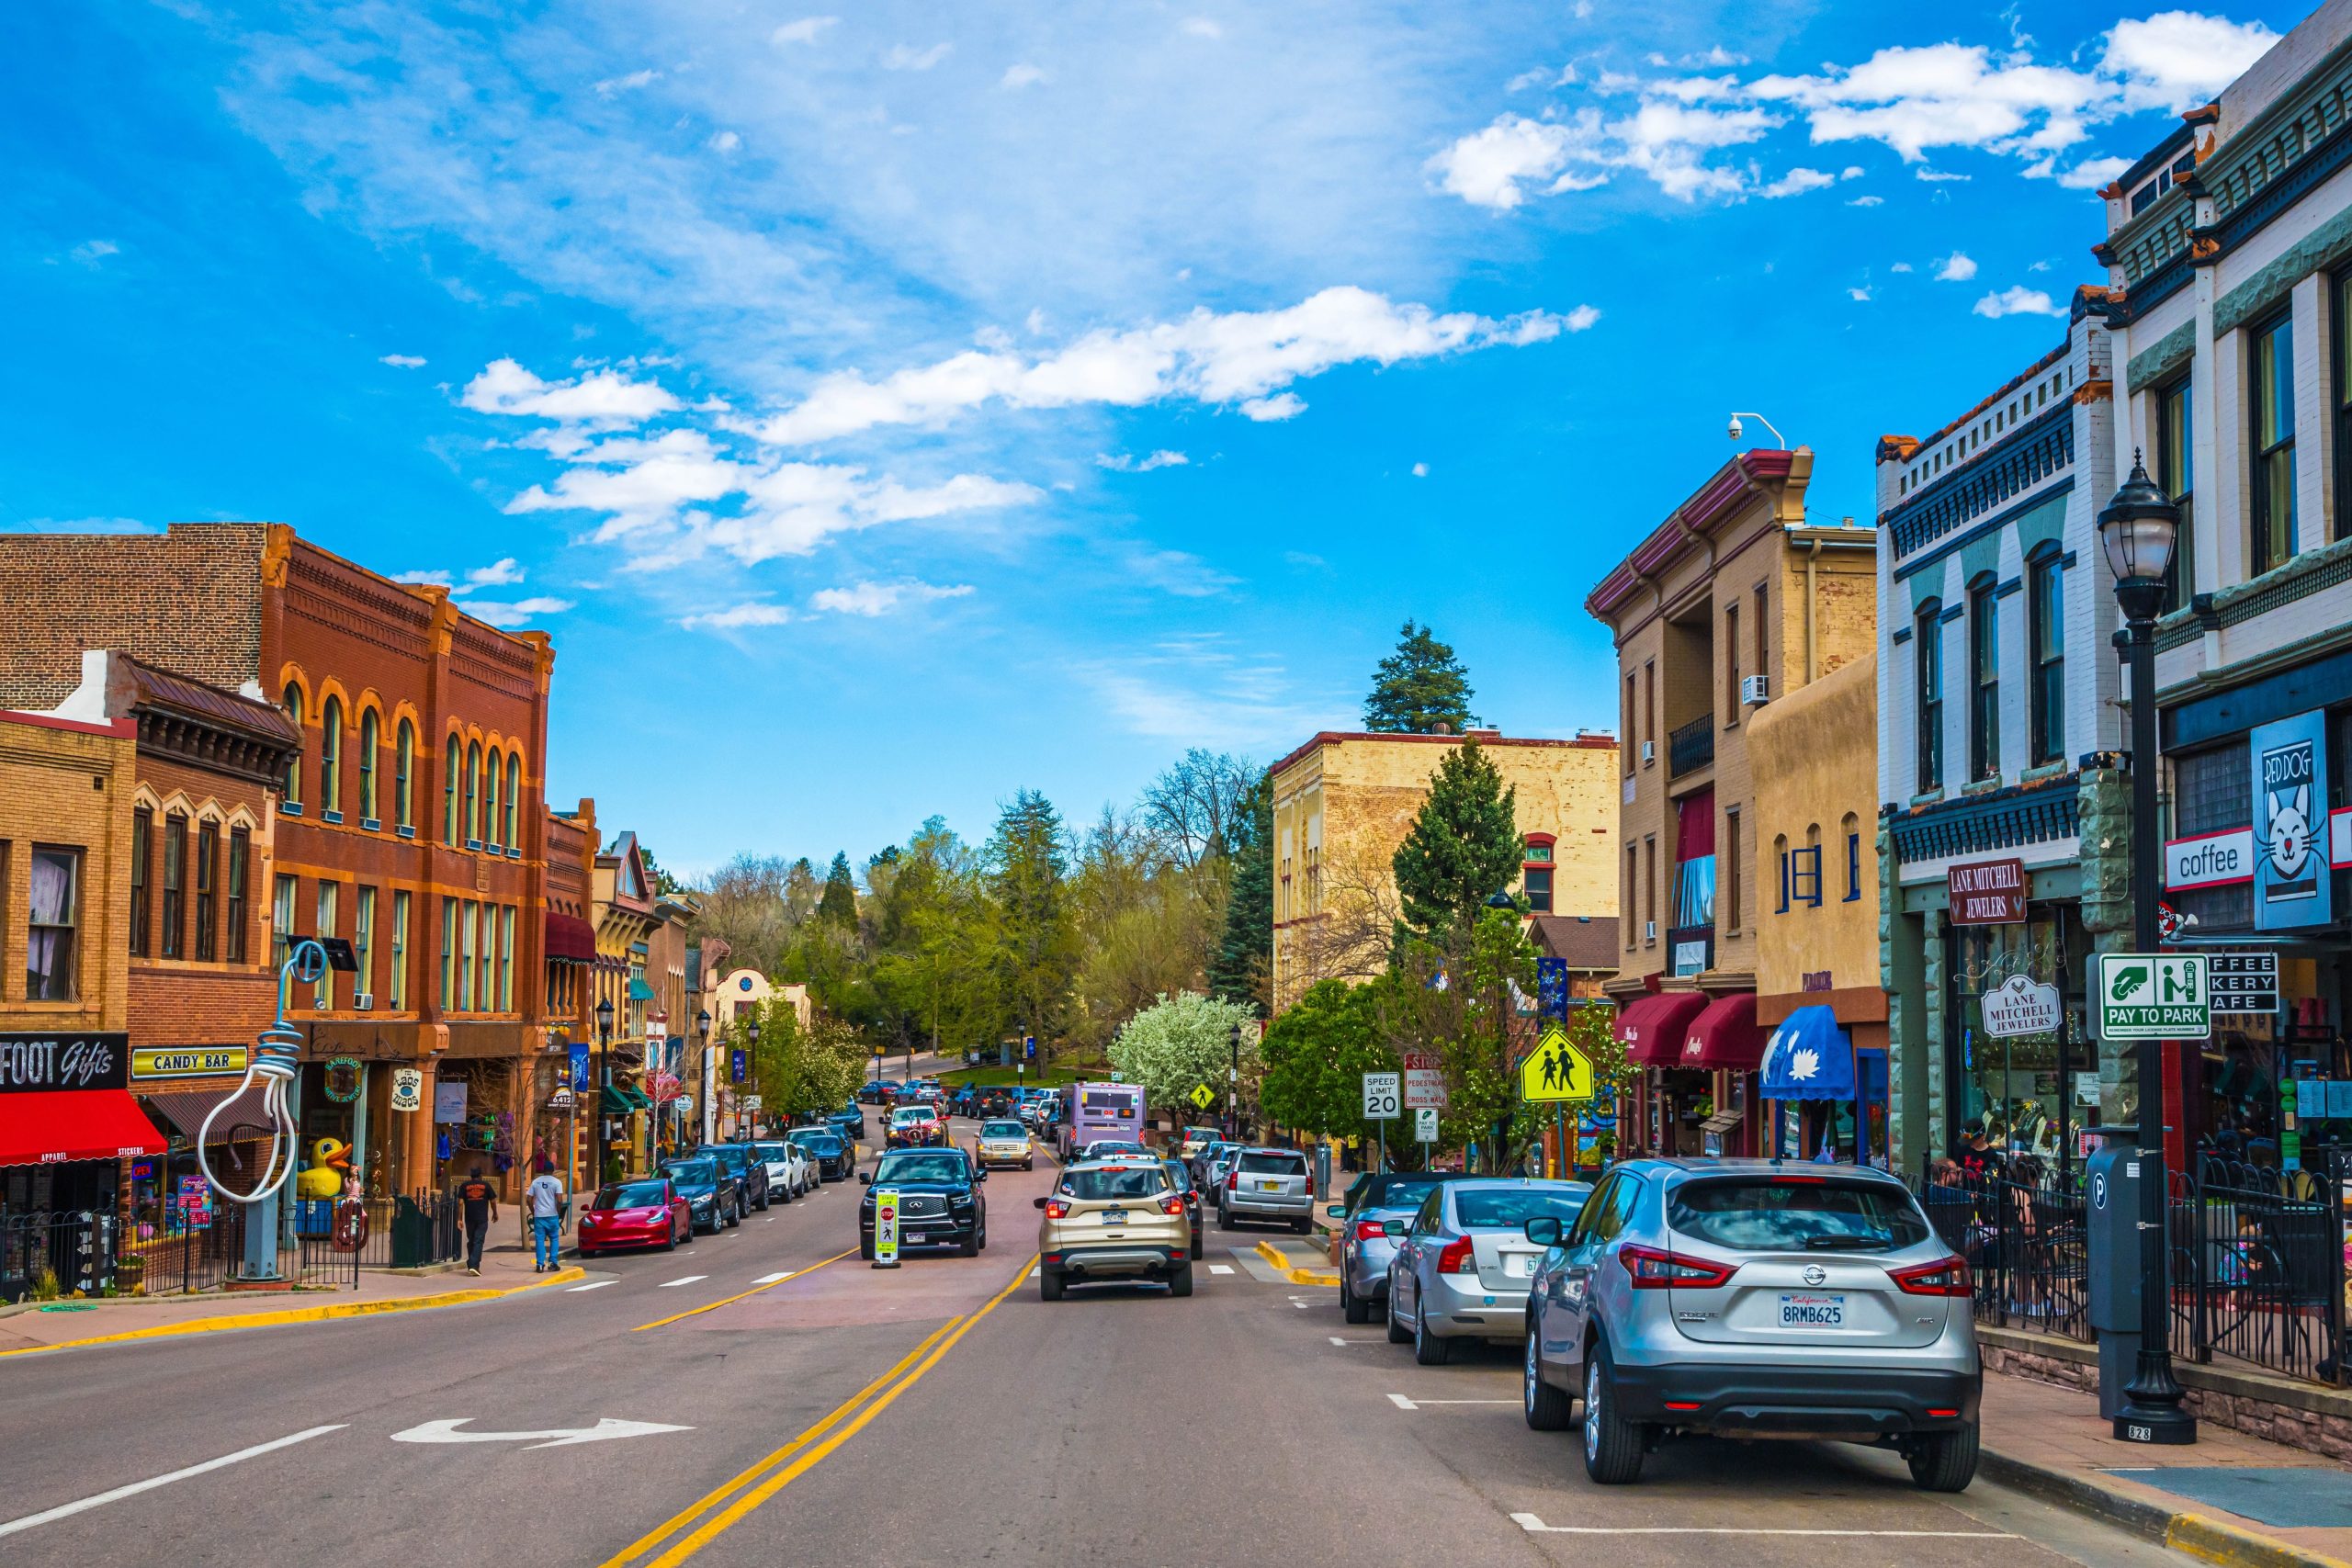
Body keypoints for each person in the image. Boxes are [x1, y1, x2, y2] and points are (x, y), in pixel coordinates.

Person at [456, 1168, 499, 1275]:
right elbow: (493, 1201)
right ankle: (474, 1265)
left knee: (472, 1240)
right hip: (482, 1218)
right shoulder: (486, 1185)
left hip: (469, 1218)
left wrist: (459, 1219)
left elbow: (460, 1203)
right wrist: (495, 1213)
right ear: (480, 1176)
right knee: (478, 1240)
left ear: (471, 1176)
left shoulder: (464, 1186)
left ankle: (472, 1264)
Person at [526, 1168, 566, 1272]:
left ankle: (539, 1264)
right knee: (554, 1238)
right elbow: (559, 1200)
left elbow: (528, 1199)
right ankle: (553, 1263)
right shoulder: (557, 1182)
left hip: (539, 1215)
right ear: (552, 1171)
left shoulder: (536, 1181)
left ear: (543, 1171)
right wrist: (557, 1212)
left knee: (539, 1240)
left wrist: (533, 1211)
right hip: (552, 1215)